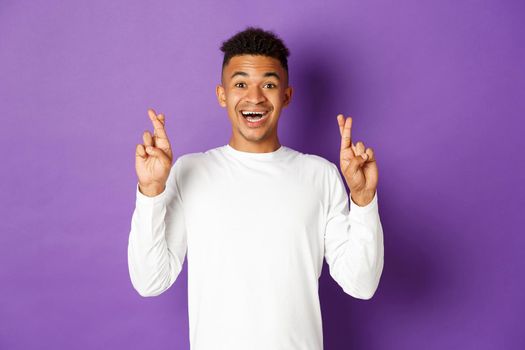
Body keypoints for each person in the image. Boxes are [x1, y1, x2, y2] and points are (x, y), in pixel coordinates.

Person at [128, 26, 384, 350]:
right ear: (222, 94)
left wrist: (363, 199)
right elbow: (150, 281)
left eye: (269, 84)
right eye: (240, 84)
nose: (254, 97)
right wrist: (151, 191)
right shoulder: (191, 172)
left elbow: (361, 284)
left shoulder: (320, 176)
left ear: (286, 96)